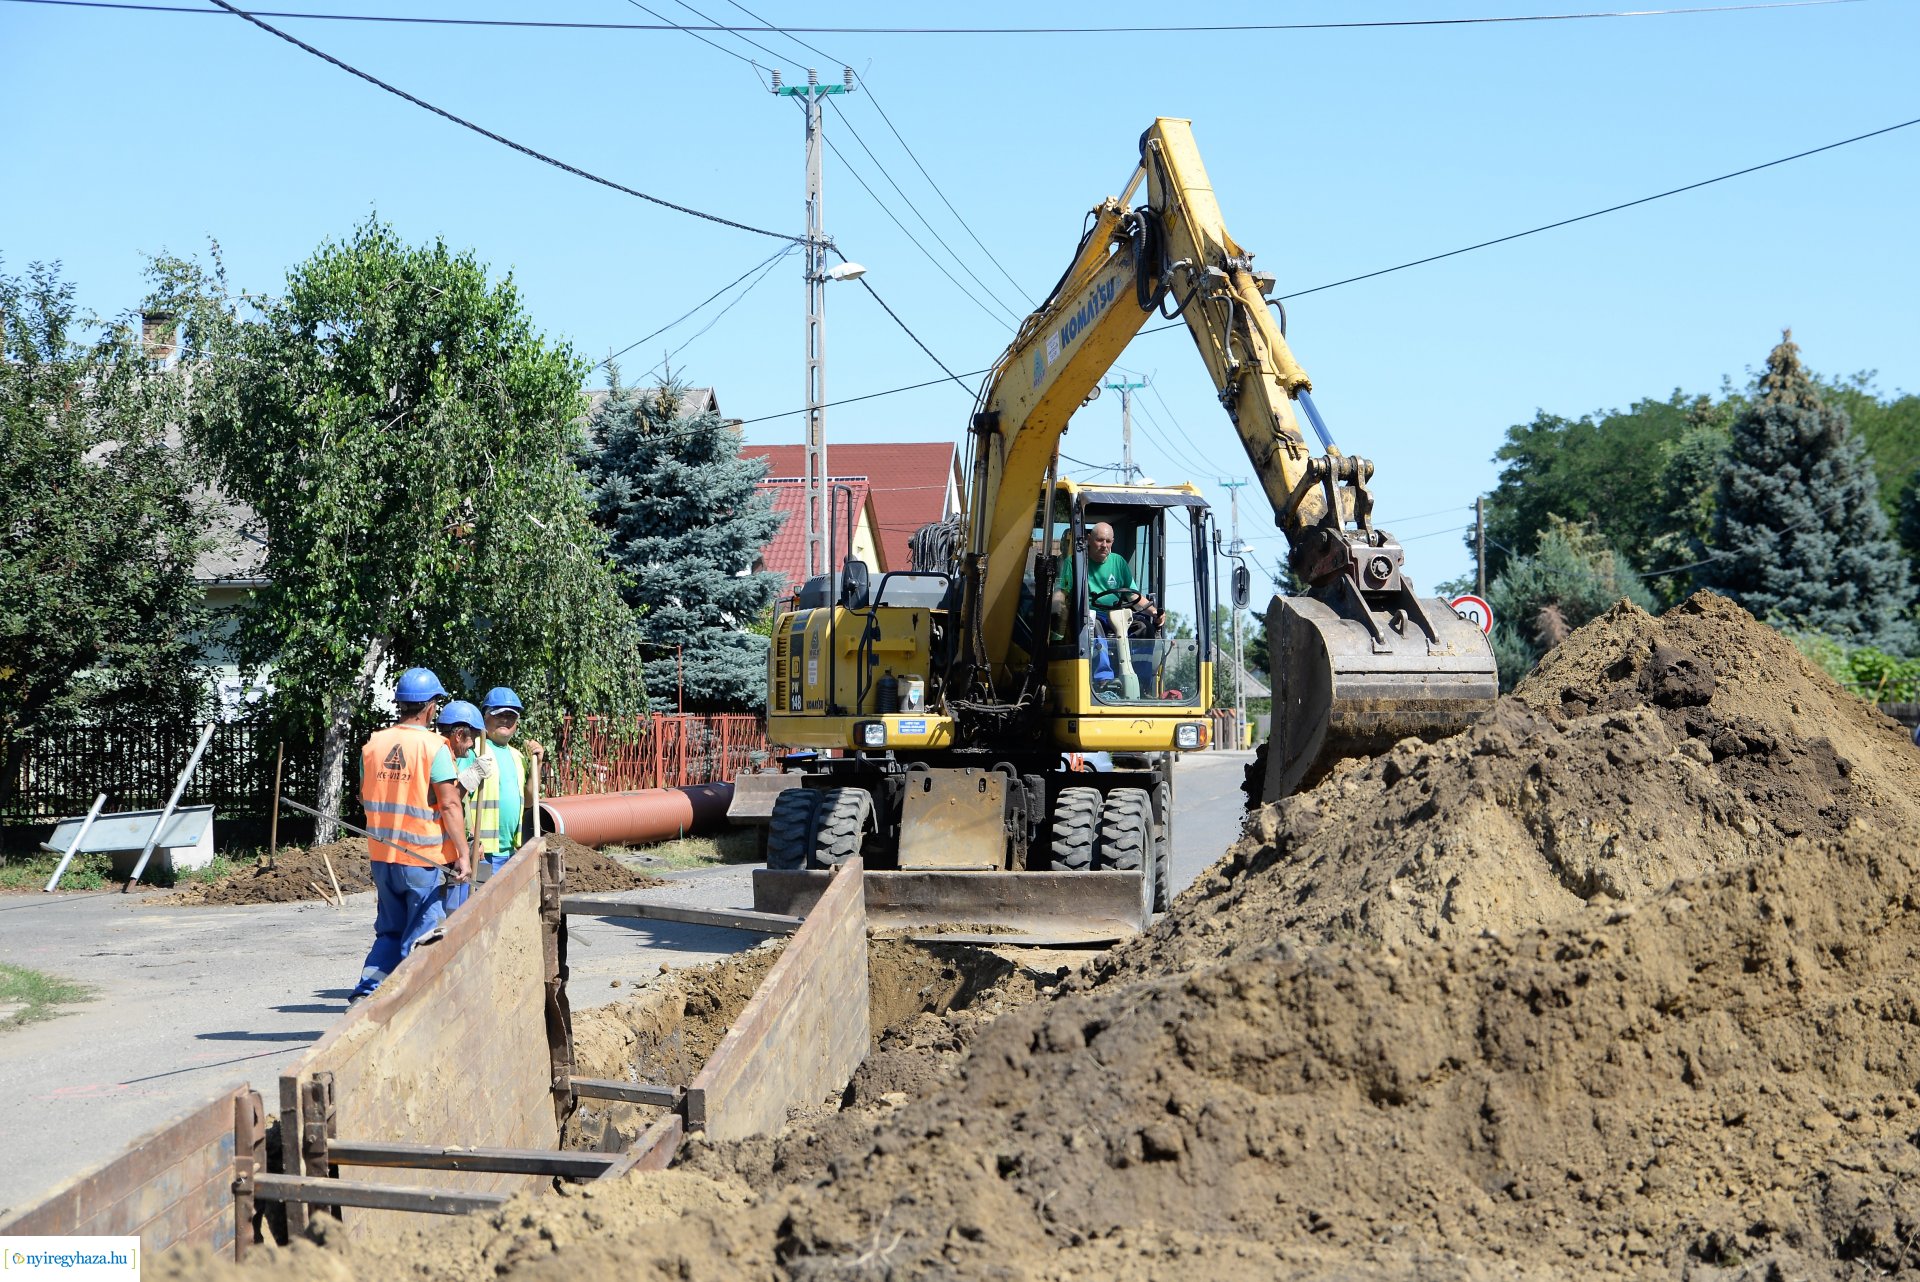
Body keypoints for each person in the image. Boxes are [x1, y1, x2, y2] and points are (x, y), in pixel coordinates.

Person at [350, 667, 471, 1002]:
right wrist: (462, 853)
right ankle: (410, 1003)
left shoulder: (373, 745)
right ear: (431, 707)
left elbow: (365, 796)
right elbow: (449, 805)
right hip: (423, 860)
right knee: (423, 936)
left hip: (383, 857)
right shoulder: (435, 747)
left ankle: (366, 995)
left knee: (389, 931)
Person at [470, 687, 545, 879]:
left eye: (511, 716)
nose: (505, 720)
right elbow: (458, 800)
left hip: (509, 850)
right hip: (481, 850)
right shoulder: (475, 750)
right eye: (499, 715)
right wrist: (469, 840)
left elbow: (529, 802)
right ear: (485, 717)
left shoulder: (517, 756)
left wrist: (537, 764)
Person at [435, 700, 488, 912]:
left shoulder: (451, 757)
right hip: (440, 851)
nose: (473, 744)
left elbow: (462, 808)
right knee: (441, 917)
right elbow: (447, 804)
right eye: (471, 738)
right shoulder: (438, 756)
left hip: (453, 848)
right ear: (458, 735)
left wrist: (473, 840)